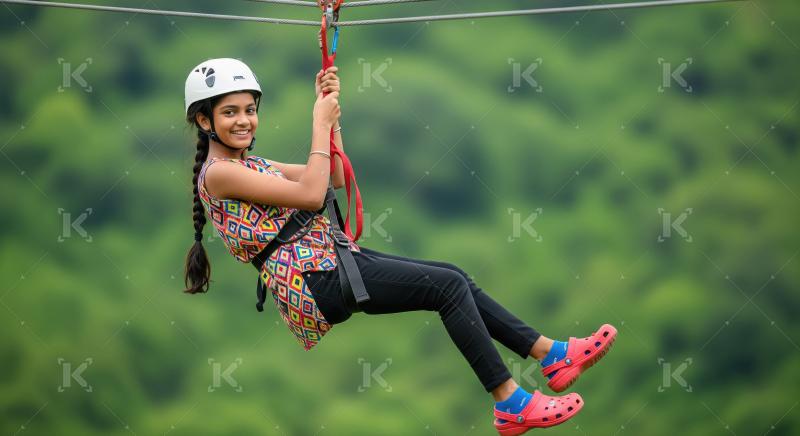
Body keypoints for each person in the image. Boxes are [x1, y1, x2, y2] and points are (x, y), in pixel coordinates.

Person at [182, 57, 617, 434]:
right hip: (314, 280)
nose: (243, 120)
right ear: (205, 121)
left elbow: (332, 177)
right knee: (444, 288)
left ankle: (550, 354)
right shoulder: (220, 175)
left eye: (250, 110)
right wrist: (317, 121)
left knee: (453, 277)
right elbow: (313, 195)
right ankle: (510, 401)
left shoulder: (252, 164)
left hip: (329, 262)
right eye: (230, 113)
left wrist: (333, 123)